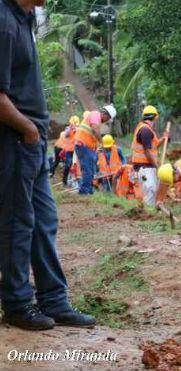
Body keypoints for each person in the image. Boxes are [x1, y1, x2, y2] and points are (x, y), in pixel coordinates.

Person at [0, 0, 95, 330]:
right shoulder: (3, 21)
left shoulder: (23, 17)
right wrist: (26, 129)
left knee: (44, 220)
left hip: (33, 140)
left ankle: (54, 300)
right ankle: (16, 303)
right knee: (17, 222)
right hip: (15, 139)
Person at [131, 105, 168, 206]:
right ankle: (148, 212)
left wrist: (164, 138)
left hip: (146, 167)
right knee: (150, 189)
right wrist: (157, 166)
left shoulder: (145, 129)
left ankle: (149, 210)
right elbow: (147, 152)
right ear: (155, 117)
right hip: (144, 169)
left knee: (150, 189)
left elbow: (153, 147)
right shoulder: (145, 130)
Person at [74, 110, 101, 195]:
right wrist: (101, 141)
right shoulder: (95, 114)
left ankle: (88, 189)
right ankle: (85, 191)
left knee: (89, 169)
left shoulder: (89, 120)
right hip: (84, 146)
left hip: (85, 146)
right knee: (87, 169)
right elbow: (95, 130)